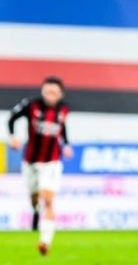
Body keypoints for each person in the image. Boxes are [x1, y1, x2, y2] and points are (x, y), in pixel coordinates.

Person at [7, 76, 73, 256]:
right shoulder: (31, 105)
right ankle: (36, 212)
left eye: (54, 92)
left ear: (60, 94)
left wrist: (67, 144)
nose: (50, 95)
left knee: (48, 199)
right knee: (35, 199)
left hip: (52, 162)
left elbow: (62, 127)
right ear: (43, 91)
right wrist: (13, 137)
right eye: (47, 92)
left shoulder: (64, 109)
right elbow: (11, 118)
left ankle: (45, 242)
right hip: (30, 161)